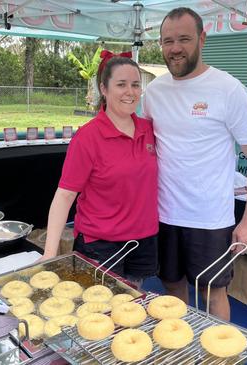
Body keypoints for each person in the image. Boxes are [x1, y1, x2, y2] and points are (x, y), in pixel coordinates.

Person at [142, 7, 247, 321]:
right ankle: (182, 348)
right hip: (164, 215)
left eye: (184, 39)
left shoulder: (227, 90)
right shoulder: (154, 92)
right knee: (172, 286)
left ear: (202, 38)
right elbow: (143, 149)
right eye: (167, 41)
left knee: (212, 292)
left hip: (211, 219)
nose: (175, 48)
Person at [41, 55, 159, 288]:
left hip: (143, 241)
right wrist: (49, 253)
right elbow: (65, 196)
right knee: (100, 312)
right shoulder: (88, 138)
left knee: (132, 306)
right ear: (104, 89)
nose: (130, 92)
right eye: (121, 84)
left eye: (135, 85)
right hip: (101, 245)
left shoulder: (149, 129)